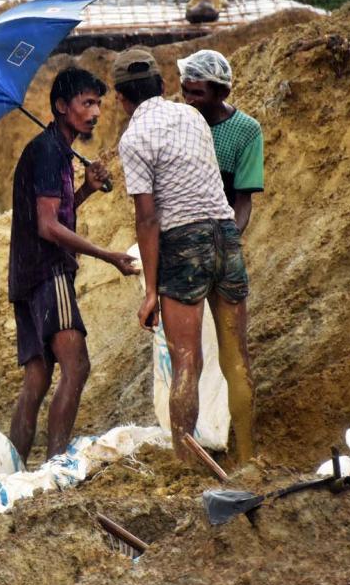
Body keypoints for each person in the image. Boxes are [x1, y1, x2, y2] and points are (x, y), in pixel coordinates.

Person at [113, 48, 255, 465]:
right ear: (161, 86)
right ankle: (249, 458)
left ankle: (187, 466)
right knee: (237, 357)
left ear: (121, 99)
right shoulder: (192, 117)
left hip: (183, 246)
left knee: (186, 363)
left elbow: (148, 218)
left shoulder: (134, 138)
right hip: (226, 235)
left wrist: (150, 292)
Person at [7, 67, 139, 465]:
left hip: (25, 274)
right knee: (76, 366)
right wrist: (108, 255)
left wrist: (84, 190)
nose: (95, 112)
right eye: (86, 103)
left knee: (38, 377)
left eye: (97, 103)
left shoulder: (54, 151)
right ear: (62, 106)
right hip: (48, 273)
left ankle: (15, 466)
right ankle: (56, 465)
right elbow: (49, 228)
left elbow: (49, 216)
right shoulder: (49, 152)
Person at [178, 49, 264, 232]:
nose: (188, 100)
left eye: (197, 93)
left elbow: (243, 200)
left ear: (222, 93)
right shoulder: (178, 123)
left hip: (218, 230)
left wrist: (228, 241)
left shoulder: (246, 131)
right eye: (185, 91)